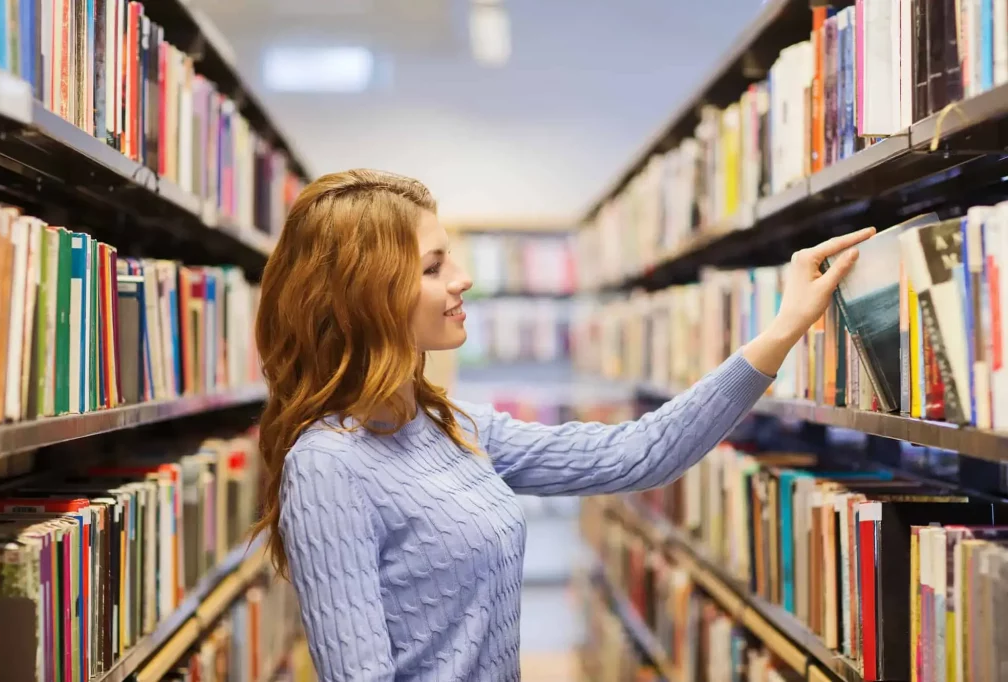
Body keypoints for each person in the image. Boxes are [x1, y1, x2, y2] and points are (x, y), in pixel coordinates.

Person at [252, 169, 873, 682]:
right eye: (433, 267)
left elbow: (639, 453)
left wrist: (784, 329)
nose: (462, 279)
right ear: (368, 294)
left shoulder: (449, 426)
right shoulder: (328, 464)